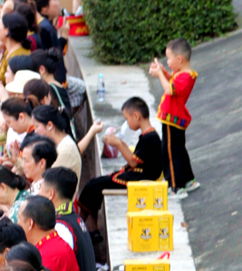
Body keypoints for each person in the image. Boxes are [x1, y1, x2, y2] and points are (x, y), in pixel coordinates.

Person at [78, 96, 164, 227]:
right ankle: (91, 228)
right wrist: (120, 142)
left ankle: (81, 226)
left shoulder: (150, 138)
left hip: (140, 178)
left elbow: (133, 162)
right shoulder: (149, 136)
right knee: (95, 184)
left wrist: (118, 144)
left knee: (92, 186)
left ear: (136, 116)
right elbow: (135, 158)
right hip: (138, 174)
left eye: (127, 119)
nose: (127, 123)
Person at [151, 36, 198, 193]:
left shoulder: (185, 77)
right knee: (179, 150)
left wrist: (159, 74)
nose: (168, 62)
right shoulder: (183, 74)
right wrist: (164, 71)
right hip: (174, 119)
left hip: (172, 119)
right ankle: (188, 180)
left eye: (169, 58)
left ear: (179, 59)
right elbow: (172, 82)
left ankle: (175, 186)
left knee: (170, 152)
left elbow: (170, 89)